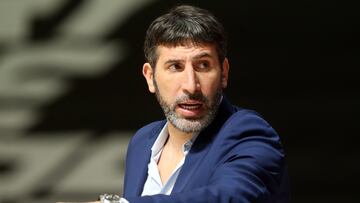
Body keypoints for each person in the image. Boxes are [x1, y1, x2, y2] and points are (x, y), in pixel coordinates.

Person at [60, 4, 290, 203]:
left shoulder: (248, 132)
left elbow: (231, 197)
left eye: (203, 66)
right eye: (175, 67)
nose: (191, 85)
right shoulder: (142, 142)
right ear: (150, 77)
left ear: (224, 73)